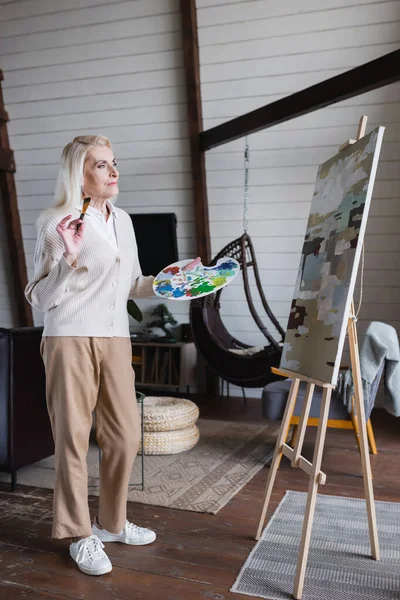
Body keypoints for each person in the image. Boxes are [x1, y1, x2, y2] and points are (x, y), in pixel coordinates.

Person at [25, 135, 199, 577]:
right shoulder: (54, 222)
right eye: (102, 165)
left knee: (125, 435)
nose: (114, 171)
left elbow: (132, 282)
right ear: (79, 175)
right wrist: (67, 260)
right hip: (69, 339)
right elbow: (38, 298)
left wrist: (173, 282)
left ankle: (111, 523)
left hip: (116, 338)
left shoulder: (122, 220)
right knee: (72, 440)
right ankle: (78, 534)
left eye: (113, 162)